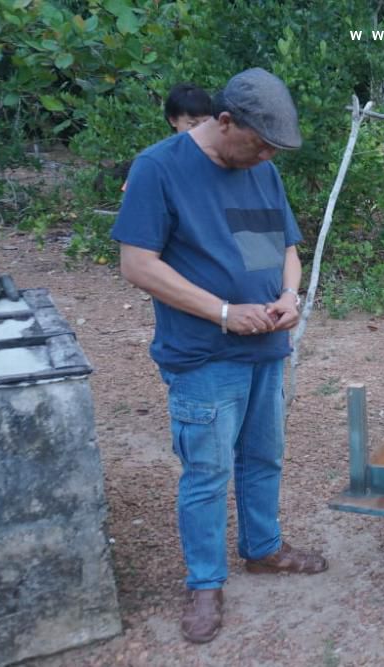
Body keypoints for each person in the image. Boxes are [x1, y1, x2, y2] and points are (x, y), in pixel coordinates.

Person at [111, 68, 327, 645]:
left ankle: (263, 548)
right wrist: (223, 313)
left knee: (264, 457)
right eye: (257, 144)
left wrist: (288, 295)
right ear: (223, 121)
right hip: (205, 354)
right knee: (207, 473)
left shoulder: (262, 171)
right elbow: (138, 264)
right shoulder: (160, 168)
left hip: (268, 348)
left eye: (271, 150)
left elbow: (282, 247)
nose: (263, 158)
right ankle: (205, 582)